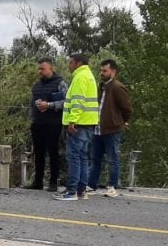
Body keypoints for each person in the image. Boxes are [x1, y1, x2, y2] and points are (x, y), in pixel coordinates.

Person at [54, 53, 99, 201]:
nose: (69, 65)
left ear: (78, 63)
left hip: (79, 123)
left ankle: (72, 191)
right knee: (82, 157)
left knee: (73, 157)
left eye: (71, 62)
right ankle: (81, 191)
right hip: (88, 123)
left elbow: (78, 101)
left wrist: (72, 121)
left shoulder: (80, 77)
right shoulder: (89, 75)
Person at [87, 59, 133, 197]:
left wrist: (122, 122)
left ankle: (112, 186)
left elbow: (127, 108)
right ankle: (91, 184)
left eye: (105, 71)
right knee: (95, 158)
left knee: (112, 159)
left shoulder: (117, 87)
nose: (102, 73)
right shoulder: (101, 86)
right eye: (101, 70)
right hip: (98, 128)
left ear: (113, 72)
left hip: (112, 129)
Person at [27, 58, 67, 190]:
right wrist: (32, 116)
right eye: (39, 69)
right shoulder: (37, 85)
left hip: (53, 123)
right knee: (38, 153)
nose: (40, 71)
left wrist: (49, 105)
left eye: (42, 69)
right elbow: (31, 103)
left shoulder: (60, 83)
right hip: (38, 123)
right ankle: (38, 181)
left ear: (50, 68)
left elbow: (66, 102)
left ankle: (53, 182)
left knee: (53, 152)